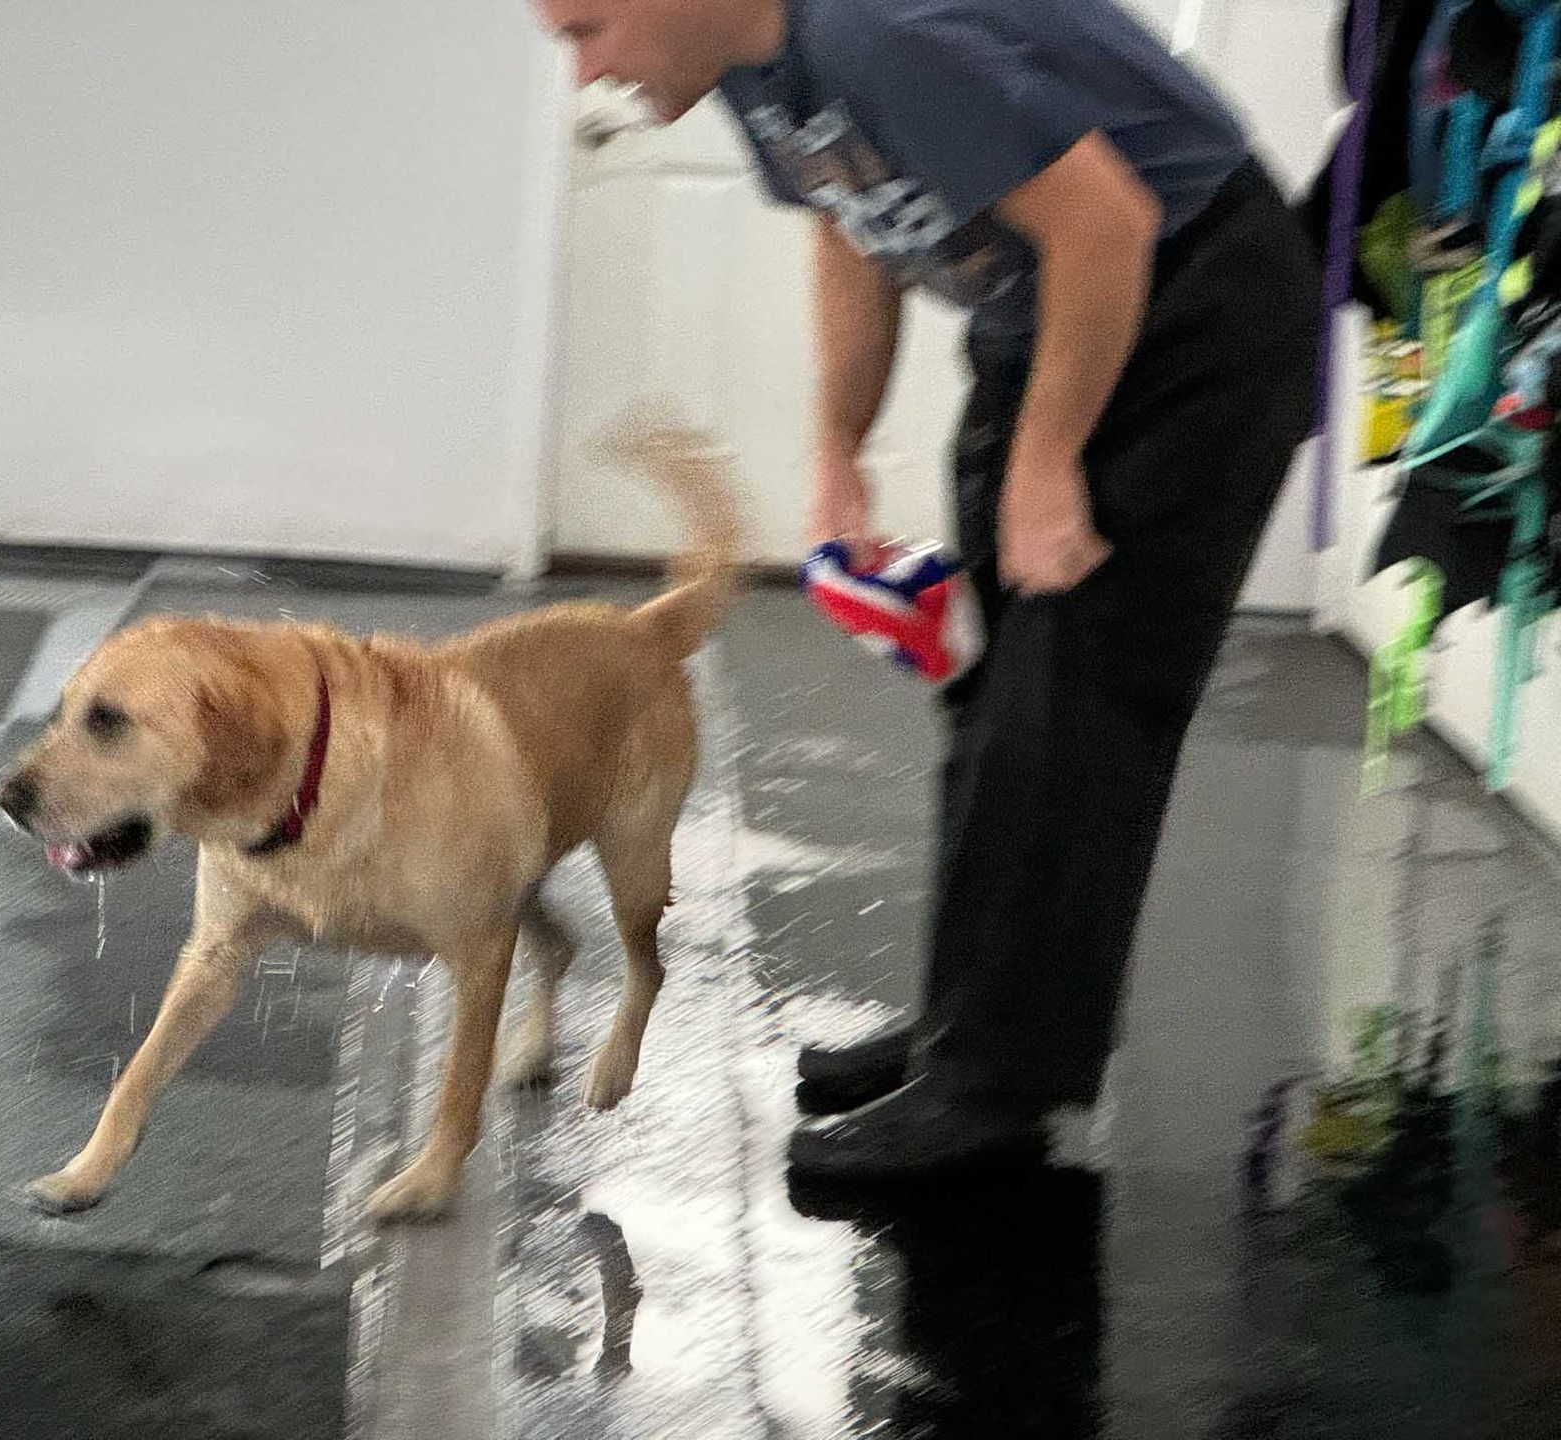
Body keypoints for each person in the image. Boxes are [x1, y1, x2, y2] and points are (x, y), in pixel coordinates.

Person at [533, 0, 1323, 1182]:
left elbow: (1109, 220)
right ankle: (977, 1024)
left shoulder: (875, 33)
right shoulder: (759, 65)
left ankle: (997, 1087)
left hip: (1195, 305)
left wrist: (1050, 463)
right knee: (993, 687)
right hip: (1059, 308)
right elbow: (850, 227)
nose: (587, 73)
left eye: (590, 30)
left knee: (1078, 688)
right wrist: (837, 443)